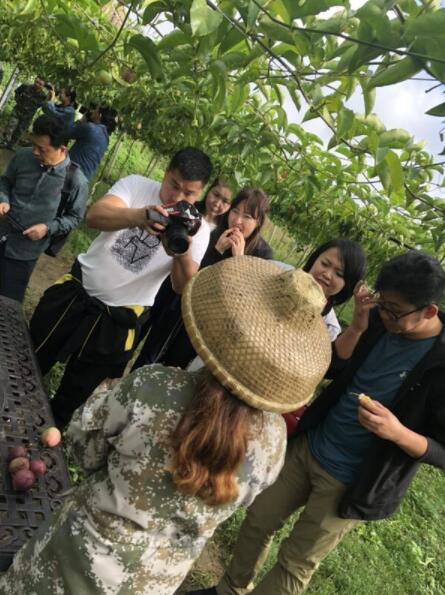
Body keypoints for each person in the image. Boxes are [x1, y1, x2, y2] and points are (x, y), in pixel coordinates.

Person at [0, 257, 332, 595]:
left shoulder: (155, 388)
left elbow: (84, 450)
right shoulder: (275, 441)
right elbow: (239, 501)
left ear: (221, 323)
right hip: (156, 581)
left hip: (75, 560)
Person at [190, 250, 445, 595]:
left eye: (394, 311)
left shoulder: (439, 366)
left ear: (429, 311)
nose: (385, 314)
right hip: (313, 444)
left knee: (295, 563)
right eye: (382, 303)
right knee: (259, 517)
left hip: (353, 480)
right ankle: (229, 588)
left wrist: (397, 432)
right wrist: (358, 327)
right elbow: (335, 367)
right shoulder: (377, 323)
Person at [29, 147, 213, 429]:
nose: (177, 197)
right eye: (173, 185)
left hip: (118, 320)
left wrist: (182, 252)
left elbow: (181, 287)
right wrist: (138, 216)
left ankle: (42, 436)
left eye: (188, 193)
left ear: (199, 194)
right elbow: (94, 216)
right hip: (76, 294)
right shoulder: (136, 185)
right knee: (29, 360)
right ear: (166, 173)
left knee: (73, 398)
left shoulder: (199, 230)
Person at [132, 187, 272, 371]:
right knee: (151, 353)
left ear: (258, 221)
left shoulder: (262, 255)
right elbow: (192, 275)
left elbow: (245, 301)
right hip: (180, 307)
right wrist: (216, 251)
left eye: (247, 217)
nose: (237, 221)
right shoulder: (212, 235)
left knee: (177, 365)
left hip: (208, 323)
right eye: (235, 212)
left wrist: (238, 261)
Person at [132, 178, 232, 368]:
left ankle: (136, 375)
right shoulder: (187, 210)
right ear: (207, 191)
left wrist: (216, 251)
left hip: (181, 295)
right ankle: (114, 370)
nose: (217, 203)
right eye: (216, 195)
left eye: (226, 201)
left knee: (155, 344)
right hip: (162, 279)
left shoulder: (225, 234)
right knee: (140, 324)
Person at [0, 114, 88, 302]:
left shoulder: (75, 182)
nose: (35, 152)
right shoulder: (23, 156)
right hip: (2, 230)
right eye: (34, 145)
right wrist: (3, 199)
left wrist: (47, 228)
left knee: (7, 302)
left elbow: (74, 217)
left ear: (62, 149)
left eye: (42, 149)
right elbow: (5, 181)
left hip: (24, 252)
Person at [66, 105, 118, 180]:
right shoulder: (106, 139)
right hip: (84, 178)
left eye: (95, 110)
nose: (92, 111)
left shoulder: (91, 128)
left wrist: (81, 121)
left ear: (99, 115)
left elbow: (67, 132)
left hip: (71, 173)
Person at [1, 76, 48, 149]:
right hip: (17, 111)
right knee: (11, 125)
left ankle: (11, 145)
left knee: (20, 130)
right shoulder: (25, 86)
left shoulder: (43, 96)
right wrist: (18, 100)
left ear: (43, 86)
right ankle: (5, 141)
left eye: (40, 84)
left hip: (28, 116)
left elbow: (43, 105)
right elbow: (17, 92)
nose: (37, 84)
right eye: (36, 82)